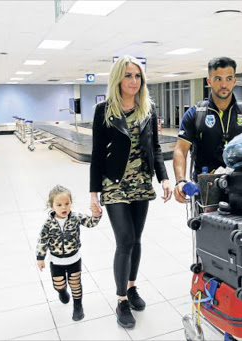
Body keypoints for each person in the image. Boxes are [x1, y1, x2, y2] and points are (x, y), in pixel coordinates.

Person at [89, 55, 172, 329]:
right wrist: (93, 194)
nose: (134, 81)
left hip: (141, 183)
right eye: (128, 75)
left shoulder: (148, 108)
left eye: (138, 76)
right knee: (124, 240)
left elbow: (156, 147)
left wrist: (164, 178)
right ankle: (121, 299)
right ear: (118, 78)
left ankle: (132, 286)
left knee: (136, 240)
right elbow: (97, 154)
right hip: (114, 184)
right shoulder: (104, 110)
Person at [173, 57, 242, 203]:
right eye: (218, 79)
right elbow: (180, 150)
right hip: (206, 189)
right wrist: (180, 180)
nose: (224, 84)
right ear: (209, 82)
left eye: (228, 78)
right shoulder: (196, 114)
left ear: (234, 81)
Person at [36, 185, 101, 321]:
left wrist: (96, 215)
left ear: (71, 203)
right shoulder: (48, 223)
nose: (63, 207)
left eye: (67, 203)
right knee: (58, 284)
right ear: (51, 206)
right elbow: (42, 240)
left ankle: (78, 306)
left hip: (74, 259)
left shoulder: (76, 217)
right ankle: (62, 292)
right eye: (59, 205)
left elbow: (90, 223)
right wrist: (40, 258)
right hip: (56, 261)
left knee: (75, 283)